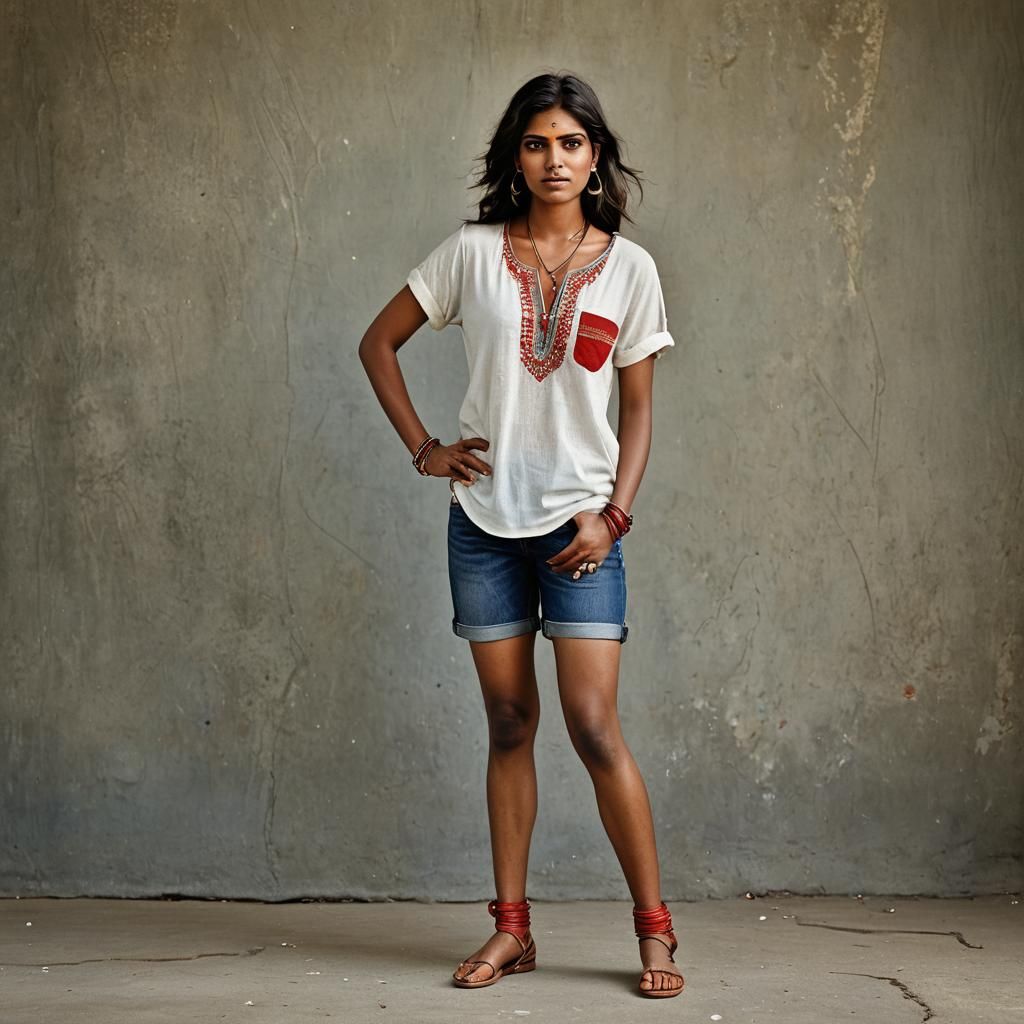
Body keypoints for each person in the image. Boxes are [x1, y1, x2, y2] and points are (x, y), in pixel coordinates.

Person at [358, 71, 683, 999]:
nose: (554, 160)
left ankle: (654, 933)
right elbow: (376, 343)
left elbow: (639, 412)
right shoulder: (467, 253)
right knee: (509, 723)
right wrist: (425, 448)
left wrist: (614, 515)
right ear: (515, 154)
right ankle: (512, 931)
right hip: (484, 526)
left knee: (591, 724)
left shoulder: (630, 268)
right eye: (536, 143)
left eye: (571, 143)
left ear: (595, 157)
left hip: (583, 529)